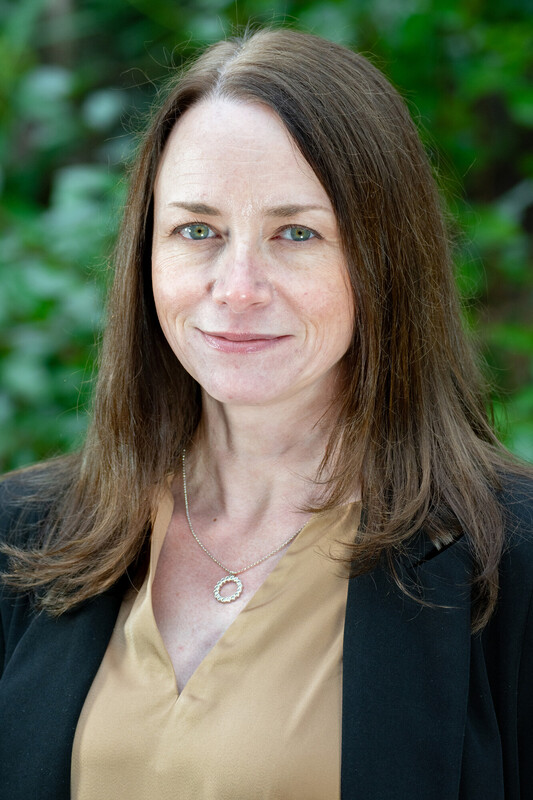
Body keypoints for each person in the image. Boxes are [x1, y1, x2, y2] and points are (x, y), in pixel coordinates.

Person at [1, 26, 532, 800]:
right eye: (197, 231)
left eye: (295, 233)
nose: (238, 287)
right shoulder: (22, 538)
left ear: (383, 257)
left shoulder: (506, 557)